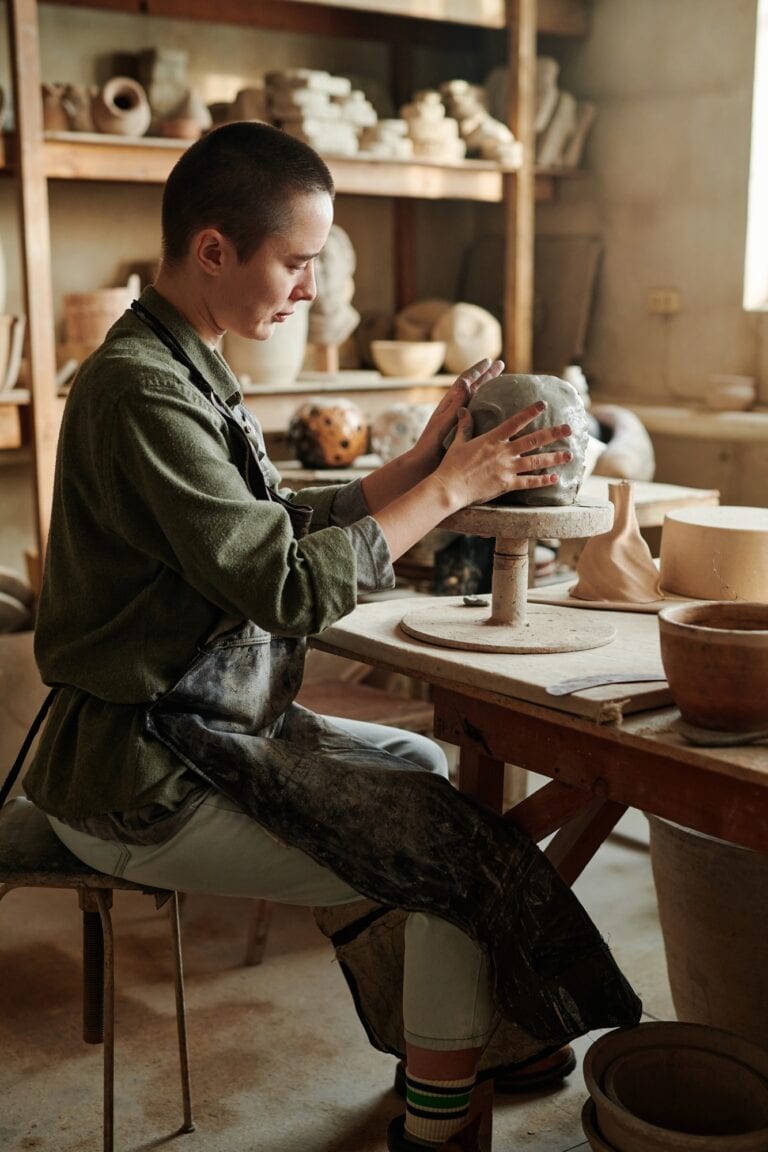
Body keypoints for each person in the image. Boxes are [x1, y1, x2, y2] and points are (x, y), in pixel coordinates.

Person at [24, 121, 640, 1152]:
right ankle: (441, 1122)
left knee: (414, 763)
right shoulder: (141, 391)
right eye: (297, 261)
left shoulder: (186, 365)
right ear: (214, 249)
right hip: (137, 772)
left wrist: (423, 460)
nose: (310, 287)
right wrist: (453, 485)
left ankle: (449, 1043)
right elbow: (285, 586)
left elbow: (276, 525)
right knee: (445, 867)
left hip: (197, 729)